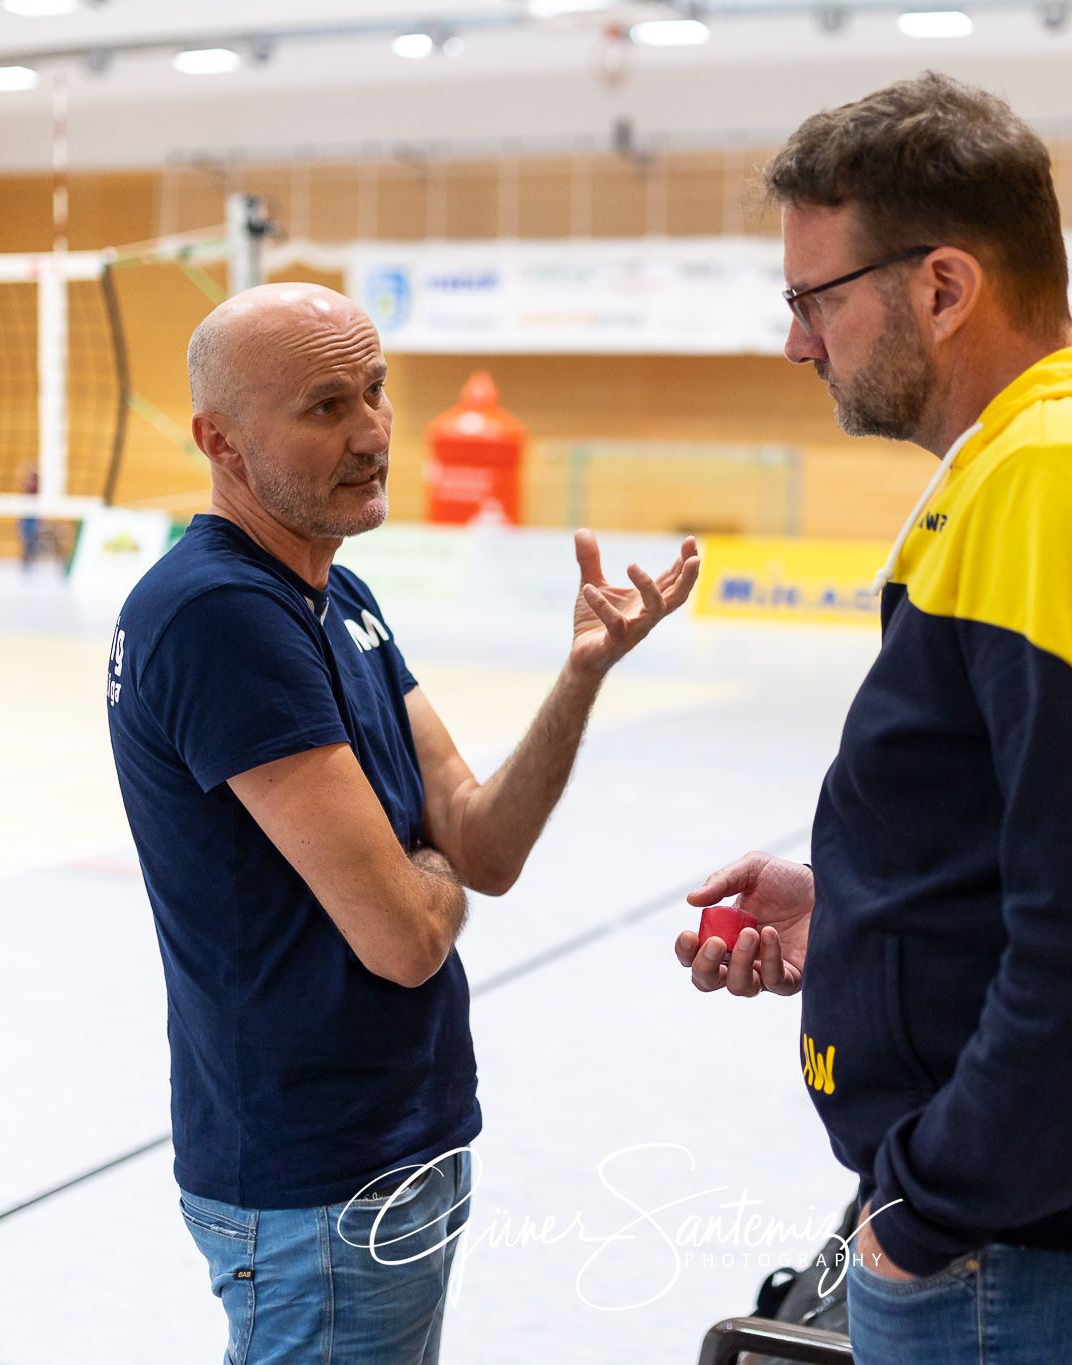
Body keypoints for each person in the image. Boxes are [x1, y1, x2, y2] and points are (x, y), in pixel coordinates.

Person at [671, 74, 1072, 1365]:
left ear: (943, 287)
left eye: (814, 298)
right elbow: (1070, 835)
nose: (797, 342)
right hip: (1056, 1221)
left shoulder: (1061, 479)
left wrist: (932, 1207)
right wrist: (866, 919)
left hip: (1040, 1244)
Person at [106, 282, 697, 1365]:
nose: (373, 430)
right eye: (326, 406)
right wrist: (421, 879)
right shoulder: (219, 615)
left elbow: (478, 846)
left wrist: (578, 677)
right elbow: (407, 937)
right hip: (315, 1178)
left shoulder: (341, 595)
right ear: (219, 442)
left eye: (375, 391)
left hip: (393, 1142)